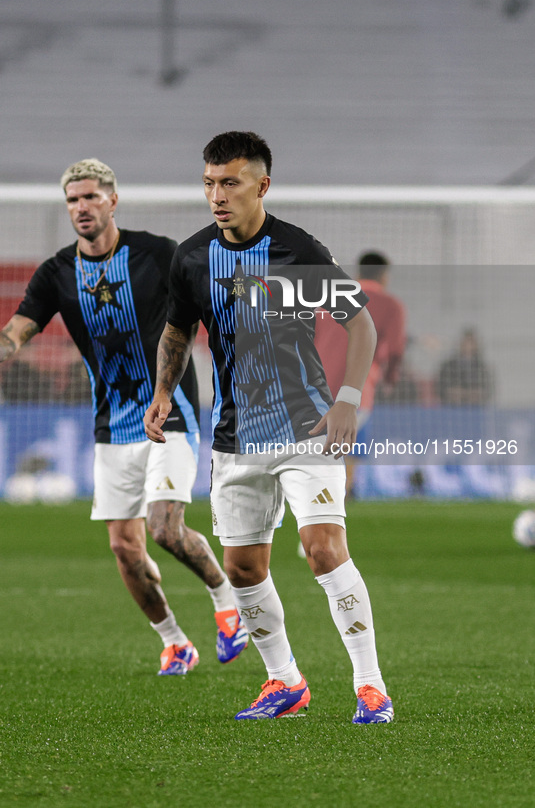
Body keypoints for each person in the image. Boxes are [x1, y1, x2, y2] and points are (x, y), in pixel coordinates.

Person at [0, 158, 248, 675]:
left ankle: (227, 605)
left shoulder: (157, 254)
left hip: (169, 415)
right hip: (111, 426)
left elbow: (208, 301)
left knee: (163, 528)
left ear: (112, 200)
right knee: (123, 548)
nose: (81, 207)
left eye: (90, 197)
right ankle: (175, 642)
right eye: (72, 200)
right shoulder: (58, 272)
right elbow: (16, 333)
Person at [144, 131, 393, 723]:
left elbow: (361, 326)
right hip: (234, 438)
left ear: (262, 185)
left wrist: (349, 400)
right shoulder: (194, 257)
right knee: (242, 568)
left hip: (306, 429)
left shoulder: (298, 251)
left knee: (323, 551)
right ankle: (285, 682)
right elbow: (177, 331)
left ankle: (370, 686)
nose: (217, 196)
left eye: (229, 183)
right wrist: (161, 392)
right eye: (209, 184)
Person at [314, 251, 407, 496]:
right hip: (357, 388)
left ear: (357, 272)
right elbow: (395, 351)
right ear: (384, 276)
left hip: (315, 385)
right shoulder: (391, 305)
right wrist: (390, 379)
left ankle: (324, 499)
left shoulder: (330, 297)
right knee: (346, 447)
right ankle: (340, 497)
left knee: (319, 448)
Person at [436, 328, 494, 406]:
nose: (468, 346)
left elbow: (487, 390)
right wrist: (453, 393)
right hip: (451, 408)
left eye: (471, 342)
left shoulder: (482, 367)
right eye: (466, 342)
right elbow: (440, 387)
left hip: (476, 409)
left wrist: (473, 394)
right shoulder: (448, 366)